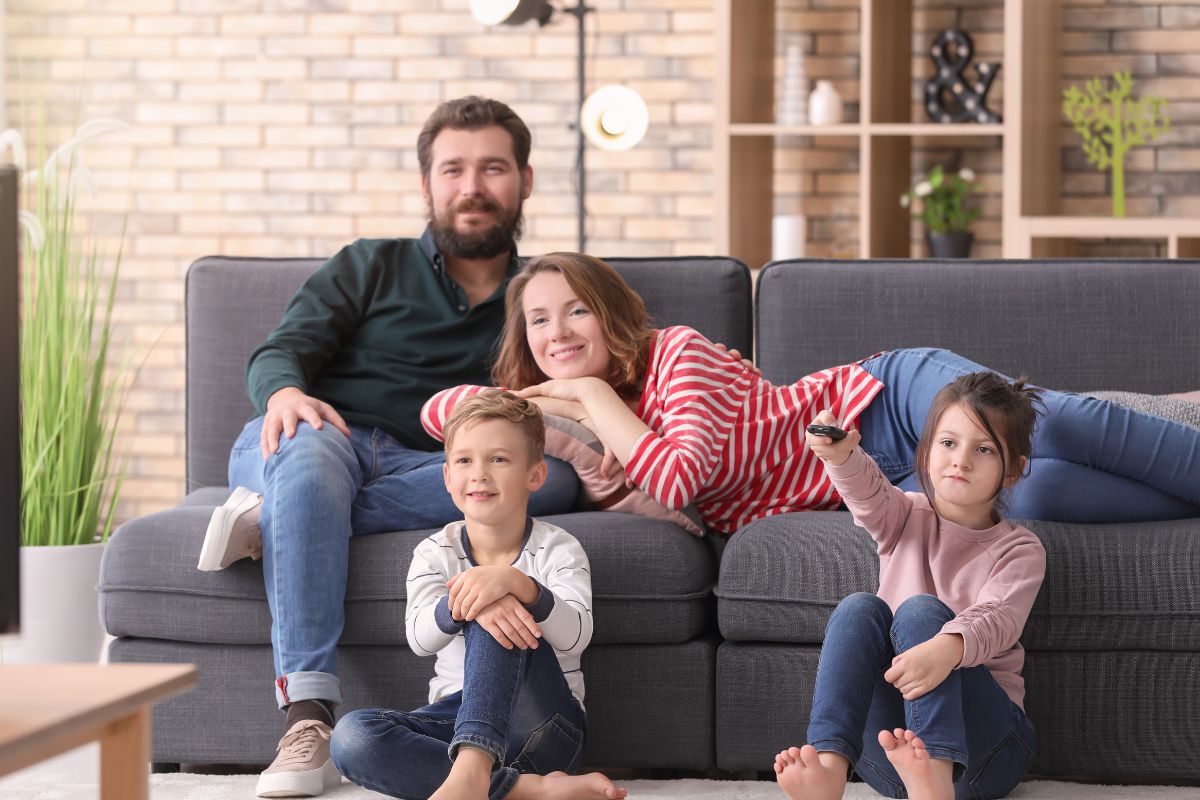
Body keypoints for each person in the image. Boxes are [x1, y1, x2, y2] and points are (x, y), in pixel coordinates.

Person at [195, 97, 580, 798]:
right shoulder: (369, 264)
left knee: (552, 479)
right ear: (426, 183)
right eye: (453, 169)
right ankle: (307, 715)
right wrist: (285, 395)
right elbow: (281, 351)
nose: (472, 187)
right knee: (308, 462)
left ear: (525, 179)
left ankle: (283, 515)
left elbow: (590, 372)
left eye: (493, 168)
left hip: (432, 462)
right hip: (323, 433)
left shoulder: (537, 296)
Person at [421, 251, 1200, 533]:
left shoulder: (675, 354)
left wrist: (589, 396)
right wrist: (548, 401)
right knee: (1038, 493)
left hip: (884, 399)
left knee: (1043, 426)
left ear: (610, 312)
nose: (558, 332)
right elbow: (439, 411)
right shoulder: (592, 408)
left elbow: (681, 478)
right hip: (881, 476)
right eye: (538, 321)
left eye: (576, 311)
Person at [330, 390, 627, 800]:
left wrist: (518, 585)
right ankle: (523, 789)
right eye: (464, 460)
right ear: (447, 477)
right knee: (352, 737)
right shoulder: (434, 551)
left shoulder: (559, 548)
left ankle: (473, 771)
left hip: (545, 729)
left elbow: (576, 636)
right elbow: (419, 639)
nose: (479, 474)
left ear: (535, 475)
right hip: (456, 722)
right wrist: (466, 604)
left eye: (499, 459)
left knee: (497, 606)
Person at [774, 372, 1046, 800]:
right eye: (948, 443)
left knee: (921, 611)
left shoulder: (1020, 549)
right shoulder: (905, 516)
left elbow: (1000, 617)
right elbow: (869, 494)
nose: (961, 460)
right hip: (891, 762)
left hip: (986, 756)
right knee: (858, 608)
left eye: (984, 449)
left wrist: (947, 648)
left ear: (1012, 471)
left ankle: (935, 773)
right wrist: (842, 456)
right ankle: (830, 767)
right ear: (927, 451)